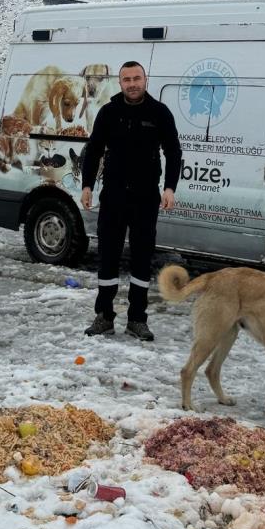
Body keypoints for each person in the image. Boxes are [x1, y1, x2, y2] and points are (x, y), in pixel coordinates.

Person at [80, 61, 183, 341]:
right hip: (113, 196)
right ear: (120, 83)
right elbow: (94, 150)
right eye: (127, 79)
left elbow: (173, 152)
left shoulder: (159, 113)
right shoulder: (109, 112)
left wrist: (170, 188)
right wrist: (87, 184)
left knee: (141, 259)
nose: (132, 83)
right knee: (108, 259)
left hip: (145, 198)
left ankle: (137, 319)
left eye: (137, 78)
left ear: (145, 80)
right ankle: (104, 316)